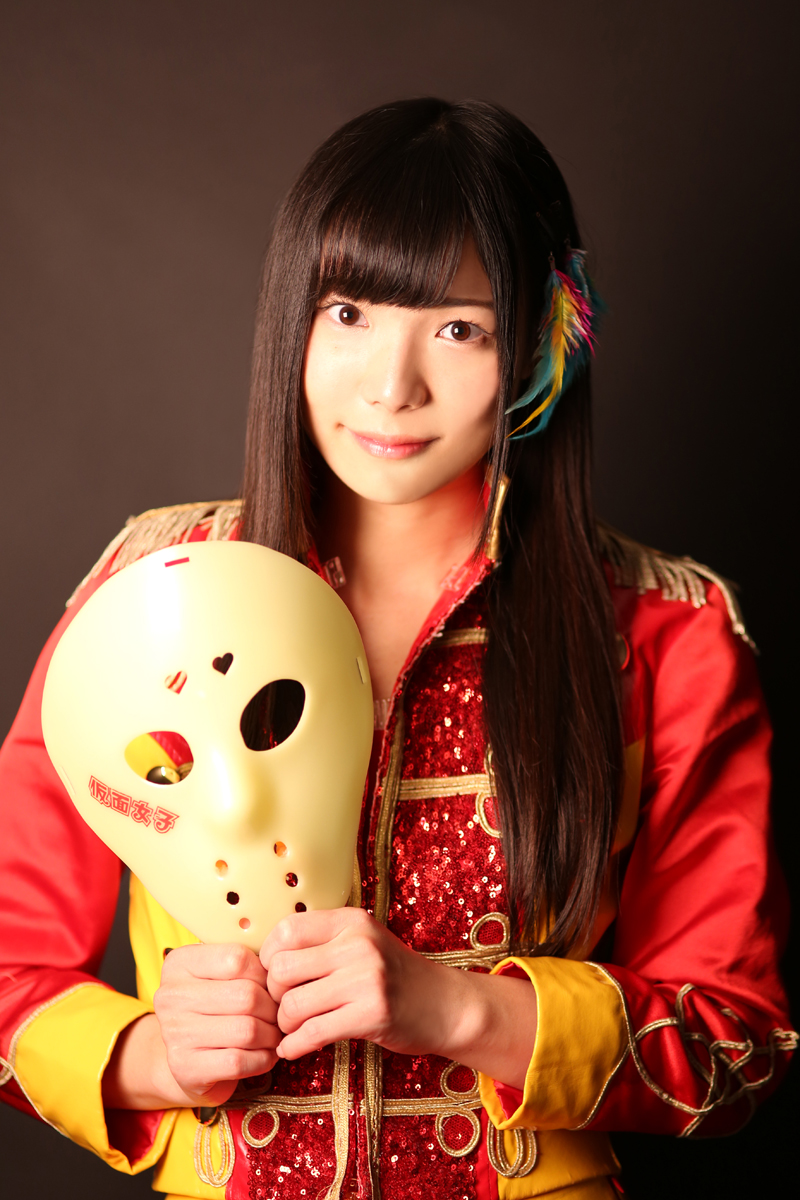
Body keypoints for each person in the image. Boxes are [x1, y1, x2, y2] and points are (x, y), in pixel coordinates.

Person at [0, 98, 794, 1200]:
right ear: (293, 319)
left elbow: (733, 1041)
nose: (390, 386)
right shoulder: (147, 598)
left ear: (542, 345)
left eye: (459, 330)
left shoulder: (664, 632)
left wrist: (459, 1009)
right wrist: (152, 1056)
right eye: (348, 314)